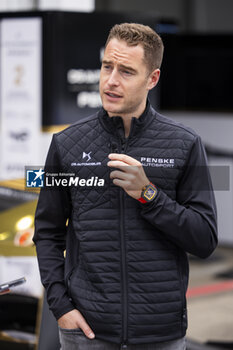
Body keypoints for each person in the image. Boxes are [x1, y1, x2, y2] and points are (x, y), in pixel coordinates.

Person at [33, 23, 218, 350]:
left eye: (127, 71)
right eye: (107, 66)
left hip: (159, 335)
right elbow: (48, 231)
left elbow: (204, 239)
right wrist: (61, 306)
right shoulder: (67, 144)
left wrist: (149, 195)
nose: (111, 81)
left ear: (153, 79)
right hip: (85, 333)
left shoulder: (185, 144)